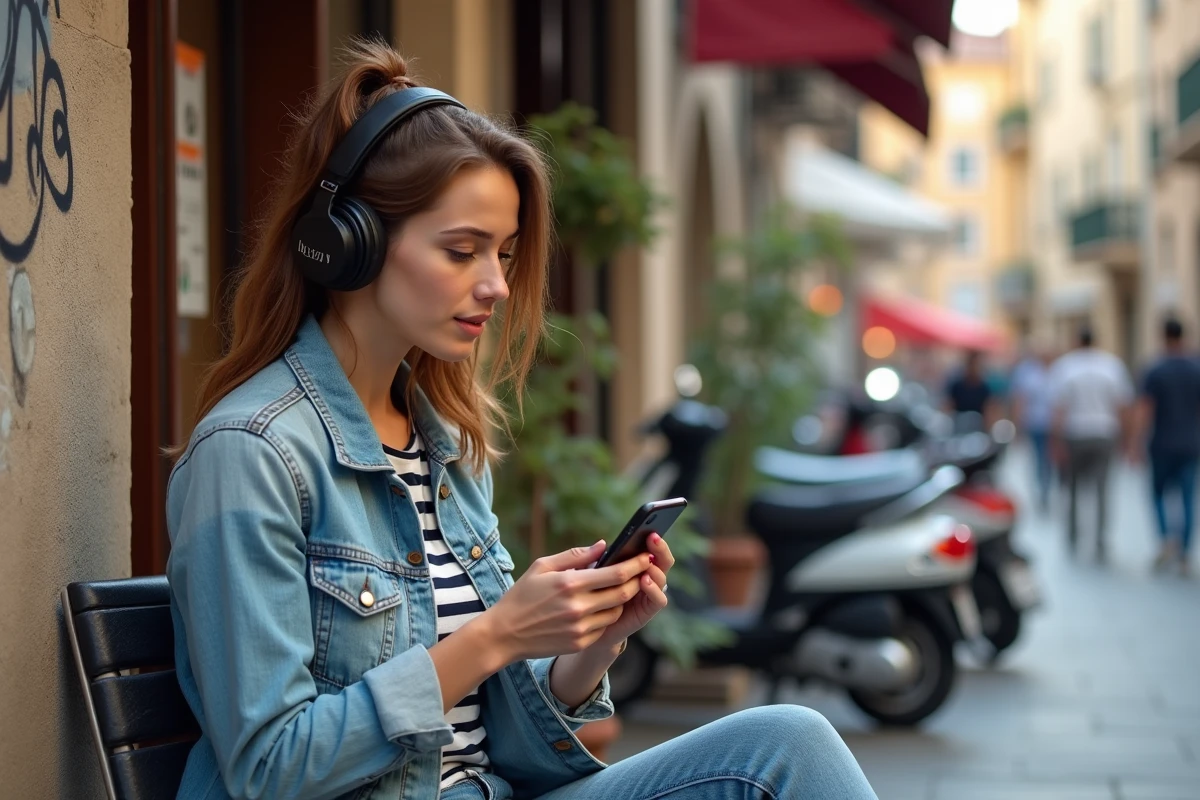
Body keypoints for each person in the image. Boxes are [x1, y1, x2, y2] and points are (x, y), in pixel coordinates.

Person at [165, 42, 878, 800]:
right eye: (462, 250)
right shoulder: (253, 454)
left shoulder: (441, 442)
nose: (496, 286)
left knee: (787, 743)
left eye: (502, 253)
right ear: (350, 244)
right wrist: (496, 633)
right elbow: (269, 769)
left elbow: (489, 727)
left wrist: (592, 647)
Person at [1048, 327, 1134, 561]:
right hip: (1104, 433)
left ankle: (1074, 537)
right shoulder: (1111, 365)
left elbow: (1059, 409)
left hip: (1075, 434)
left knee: (1073, 488)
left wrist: (1055, 442)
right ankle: (1100, 540)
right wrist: (1128, 439)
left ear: (1077, 341)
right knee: (1102, 489)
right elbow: (1122, 406)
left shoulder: (1066, 366)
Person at [1131, 318, 1200, 576]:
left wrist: (1136, 442)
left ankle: (1165, 540)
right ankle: (1183, 553)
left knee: (1158, 495)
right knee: (1187, 499)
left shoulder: (1154, 369)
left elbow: (1145, 409)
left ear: (1163, 336)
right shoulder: (1196, 368)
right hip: (1190, 443)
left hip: (1162, 443)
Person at [1009, 345, 1056, 512]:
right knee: (1039, 460)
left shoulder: (1057, 373)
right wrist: (1018, 424)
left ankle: (1046, 488)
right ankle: (1041, 491)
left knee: (1049, 460)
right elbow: (1021, 400)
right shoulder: (1030, 375)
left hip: (1052, 426)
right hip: (1036, 424)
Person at [943, 350, 998, 431]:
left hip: (978, 429)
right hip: (958, 428)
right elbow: (948, 407)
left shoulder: (984, 388)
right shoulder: (957, 386)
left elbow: (989, 411)